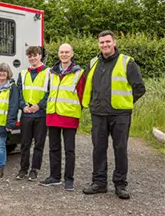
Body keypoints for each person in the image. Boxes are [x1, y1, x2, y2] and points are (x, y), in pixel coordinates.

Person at [82, 30, 145, 199]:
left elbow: (139, 88)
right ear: (98, 44)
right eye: (102, 42)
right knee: (98, 149)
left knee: (120, 149)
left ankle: (120, 184)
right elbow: (87, 86)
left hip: (120, 115)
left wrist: (125, 103)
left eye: (108, 41)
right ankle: (99, 183)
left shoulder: (127, 62)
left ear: (114, 42)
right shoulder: (93, 63)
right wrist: (90, 104)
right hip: (98, 113)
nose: (105, 45)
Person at [39, 43, 85, 191]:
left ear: (72, 54)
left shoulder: (79, 73)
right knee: (53, 148)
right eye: (61, 52)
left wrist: (75, 109)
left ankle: (69, 179)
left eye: (67, 52)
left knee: (69, 150)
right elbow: (48, 93)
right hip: (53, 115)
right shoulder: (51, 72)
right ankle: (54, 177)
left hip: (69, 116)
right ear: (58, 54)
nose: (64, 54)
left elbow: (82, 95)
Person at [16, 46, 50, 181]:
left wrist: (39, 106)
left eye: (35, 55)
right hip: (26, 114)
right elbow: (19, 93)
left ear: (40, 56)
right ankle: (23, 169)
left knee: (38, 145)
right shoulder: (23, 74)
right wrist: (23, 106)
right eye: (30, 56)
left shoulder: (49, 73)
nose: (32, 58)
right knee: (24, 144)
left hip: (41, 114)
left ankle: (34, 170)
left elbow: (50, 92)